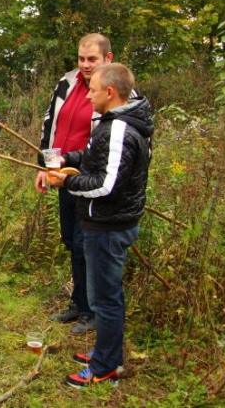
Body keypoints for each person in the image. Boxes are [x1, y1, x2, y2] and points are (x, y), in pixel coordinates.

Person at [47, 64, 153, 388]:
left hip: (107, 226)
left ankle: (105, 365)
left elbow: (107, 185)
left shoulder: (119, 127)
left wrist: (67, 183)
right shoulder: (112, 123)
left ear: (110, 92)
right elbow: (96, 158)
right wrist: (69, 160)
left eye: (92, 90)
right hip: (104, 223)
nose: (88, 95)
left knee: (105, 299)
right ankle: (108, 352)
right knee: (106, 296)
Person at [34, 33, 113, 335]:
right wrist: (45, 166)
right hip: (62, 175)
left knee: (86, 244)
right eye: (81, 58)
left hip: (90, 179)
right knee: (71, 241)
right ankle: (77, 304)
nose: (85, 65)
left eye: (91, 59)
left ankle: (92, 310)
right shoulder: (67, 83)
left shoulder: (115, 89)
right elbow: (49, 125)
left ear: (107, 58)